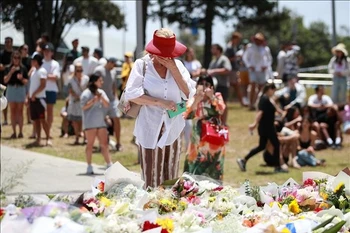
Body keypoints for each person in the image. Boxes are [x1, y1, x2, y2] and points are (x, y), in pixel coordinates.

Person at [124, 28, 196, 188]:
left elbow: (189, 93)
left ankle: (170, 211)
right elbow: (132, 94)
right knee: (152, 179)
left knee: (171, 178)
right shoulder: (142, 65)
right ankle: (151, 211)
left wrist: (173, 69)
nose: (168, 56)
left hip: (173, 127)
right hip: (150, 127)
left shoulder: (177, 65)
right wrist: (159, 102)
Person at [237, 83, 288, 173]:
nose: (274, 92)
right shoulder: (264, 99)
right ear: (269, 89)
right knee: (276, 144)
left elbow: (275, 108)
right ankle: (277, 167)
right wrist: (254, 124)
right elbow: (260, 113)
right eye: (273, 90)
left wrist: (281, 112)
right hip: (267, 127)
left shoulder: (267, 99)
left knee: (262, 146)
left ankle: (243, 160)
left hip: (266, 127)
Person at [183, 75, 226, 182]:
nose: (204, 87)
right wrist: (197, 100)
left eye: (207, 84)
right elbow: (187, 115)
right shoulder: (193, 99)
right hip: (198, 137)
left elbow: (221, 110)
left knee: (213, 165)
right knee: (195, 165)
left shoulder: (217, 96)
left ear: (212, 87)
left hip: (214, 137)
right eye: (201, 84)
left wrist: (212, 97)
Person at [80, 74, 112, 174]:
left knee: (104, 144)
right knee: (90, 145)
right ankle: (89, 166)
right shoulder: (86, 93)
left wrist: (100, 97)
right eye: (100, 80)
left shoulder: (101, 92)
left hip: (100, 122)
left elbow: (107, 104)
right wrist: (93, 100)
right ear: (94, 82)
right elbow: (83, 107)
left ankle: (109, 164)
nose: (101, 82)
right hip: (90, 123)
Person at [94, 58, 123, 151]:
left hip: (111, 100)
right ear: (110, 62)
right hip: (101, 100)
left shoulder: (113, 72)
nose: (114, 67)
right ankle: (101, 144)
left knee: (117, 119)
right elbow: (94, 84)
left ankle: (118, 143)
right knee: (100, 122)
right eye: (114, 64)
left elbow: (114, 85)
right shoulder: (99, 70)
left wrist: (116, 98)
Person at [243, 33, 272, 110]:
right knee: (252, 85)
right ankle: (251, 104)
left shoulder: (265, 49)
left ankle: (258, 103)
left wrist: (265, 66)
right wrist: (249, 65)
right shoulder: (250, 47)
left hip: (262, 70)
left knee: (261, 88)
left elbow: (269, 59)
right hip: (253, 70)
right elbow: (245, 57)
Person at [3, 51, 29, 138]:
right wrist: (11, 72)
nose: (16, 59)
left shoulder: (23, 68)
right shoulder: (8, 68)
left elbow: (26, 82)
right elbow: (5, 80)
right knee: (12, 111)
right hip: (11, 89)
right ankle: (14, 132)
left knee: (20, 111)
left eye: (18, 58)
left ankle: (21, 132)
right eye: (15, 58)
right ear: (12, 58)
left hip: (20, 89)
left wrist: (21, 79)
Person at [205, 44, 232, 125]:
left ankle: (224, 122)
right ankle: (217, 122)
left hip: (222, 85)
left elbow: (227, 69)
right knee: (215, 104)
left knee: (223, 104)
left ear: (218, 50)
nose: (211, 50)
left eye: (213, 48)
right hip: (214, 86)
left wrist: (214, 71)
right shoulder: (213, 61)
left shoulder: (224, 59)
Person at [28, 54, 51, 146]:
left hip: (40, 99)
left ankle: (48, 138)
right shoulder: (34, 71)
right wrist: (29, 96)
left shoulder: (42, 71)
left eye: (33, 60)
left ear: (37, 61)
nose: (32, 62)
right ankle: (38, 138)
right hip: (33, 99)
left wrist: (34, 94)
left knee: (42, 119)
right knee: (36, 120)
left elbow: (43, 85)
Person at [182, 47, 202, 152]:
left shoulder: (196, 63)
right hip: (183, 95)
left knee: (191, 120)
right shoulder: (183, 63)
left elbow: (197, 73)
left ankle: (189, 147)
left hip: (193, 93)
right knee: (183, 119)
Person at [67, 63, 89, 144]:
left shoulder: (86, 78)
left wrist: (83, 97)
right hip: (74, 102)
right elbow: (70, 89)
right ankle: (77, 137)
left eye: (81, 70)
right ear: (75, 70)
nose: (79, 72)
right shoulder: (71, 79)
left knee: (84, 121)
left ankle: (85, 138)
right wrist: (77, 96)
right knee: (75, 121)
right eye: (78, 70)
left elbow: (88, 88)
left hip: (84, 102)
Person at [42, 43, 60, 136]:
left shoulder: (55, 63)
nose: (46, 53)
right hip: (41, 90)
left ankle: (48, 131)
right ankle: (38, 131)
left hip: (51, 90)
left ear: (52, 53)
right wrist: (48, 76)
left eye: (48, 51)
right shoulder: (40, 62)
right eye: (45, 51)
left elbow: (55, 77)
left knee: (49, 112)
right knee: (40, 112)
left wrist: (44, 76)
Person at [225, 31, 244, 106]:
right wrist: (236, 58)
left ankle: (240, 102)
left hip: (234, 69)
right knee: (235, 86)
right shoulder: (229, 47)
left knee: (235, 86)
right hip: (231, 69)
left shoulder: (234, 47)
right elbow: (227, 59)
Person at [0, 36, 14, 125]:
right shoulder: (1, 54)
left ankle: (13, 120)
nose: (7, 44)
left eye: (9, 42)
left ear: (12, 43)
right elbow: (1, 67)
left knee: (13, 102)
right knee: (3, 100)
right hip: (2, 80)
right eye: (6, 42)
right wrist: (10, 66)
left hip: (13, 81)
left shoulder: (14, 54)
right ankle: (5, 120)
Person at [19, 44, 32, 125]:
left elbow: (32, 68)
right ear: (21, 50)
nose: (26, 50)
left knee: (28, 100)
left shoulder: (30, 59)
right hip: (19, 81)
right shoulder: (18, 58)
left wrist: (26, 76)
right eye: (24, 49)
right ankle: (19, 119)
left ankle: (29, 119)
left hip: (28, 80)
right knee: (20, 101)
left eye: (27, 49)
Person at [236, 39, 250, 106]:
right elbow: (238, 61)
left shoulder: (250, 52)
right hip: (242, 70)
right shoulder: (239, 53)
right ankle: (244, 99)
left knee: (248, 85)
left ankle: (248, 98)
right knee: (243, 85)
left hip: (248, 70)